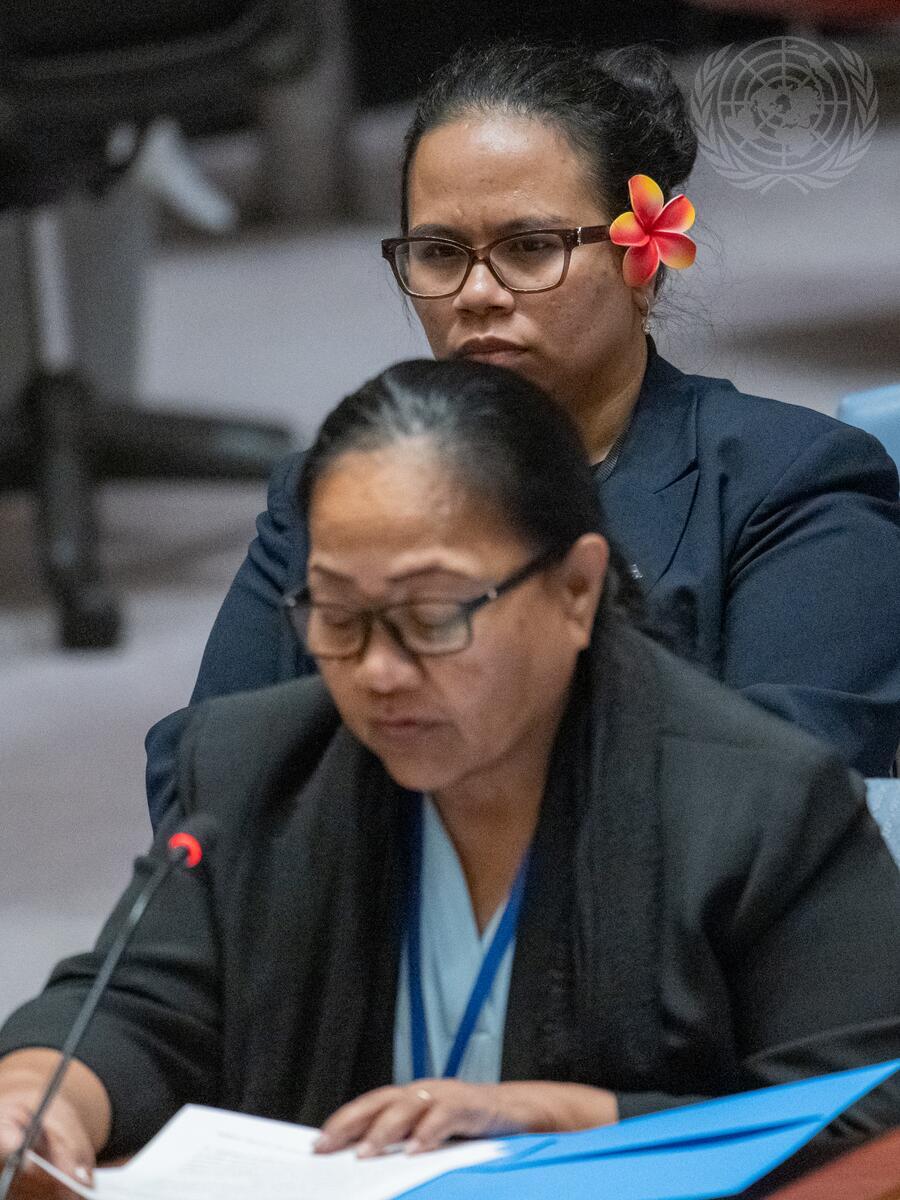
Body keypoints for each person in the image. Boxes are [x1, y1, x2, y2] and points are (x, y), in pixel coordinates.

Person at [1, 360, 899, 1187]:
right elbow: (131, 1005)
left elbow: (869, 1116)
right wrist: (43, 1094)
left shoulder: (759, 802)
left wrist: (575, 1121)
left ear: (576, 590)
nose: (378, 671)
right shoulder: (252, 768)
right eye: (338, 616)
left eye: (432, 618)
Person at [144, 42, 900, 825]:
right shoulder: (333, 489)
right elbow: (196, 786)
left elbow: (777, 804)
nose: (476, 293)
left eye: (531, 247)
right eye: (439, 253)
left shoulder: (793, 485)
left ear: (642, 258)